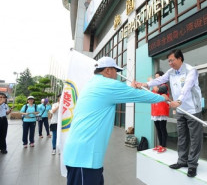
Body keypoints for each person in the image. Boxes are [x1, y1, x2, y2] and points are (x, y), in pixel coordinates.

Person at [63, 56, 169, 185]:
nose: (117, 75)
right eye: (115, 71)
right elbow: (140, 95)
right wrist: (163, 98)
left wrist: (130, 90)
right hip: (84, 158)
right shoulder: (107, 84)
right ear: (108, 70)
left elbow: (127, 93)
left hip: (83, 155)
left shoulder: (94, 83)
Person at [135, 49, 203, 178]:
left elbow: (187, 87)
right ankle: (182, 161)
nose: (170, 63)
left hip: (193, 109)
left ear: (180, 59)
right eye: (169, 61)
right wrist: (145, 84)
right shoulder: (171, 72)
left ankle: (192, 164)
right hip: (180, 109)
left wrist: (179, 100)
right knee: (182, 136)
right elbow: (159, 80)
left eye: (172, 60)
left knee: (195, 137)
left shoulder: (191, 70)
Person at [150, 71, 169, 153]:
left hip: (162, 110)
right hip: (155, 111)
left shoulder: (164, 86)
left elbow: (157, 90)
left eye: (158, 77)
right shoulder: (155, 87)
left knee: (162, 129)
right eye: (155, 77)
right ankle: (160, 145)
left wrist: (151, 81)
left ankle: (164, 145)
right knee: (158, 129)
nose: (156, 79)